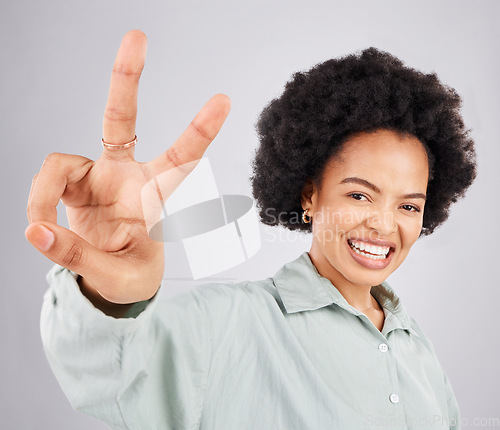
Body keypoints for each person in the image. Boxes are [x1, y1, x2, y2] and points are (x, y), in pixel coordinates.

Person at [26, 30, 476, 429]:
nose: (383, 224)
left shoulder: (417, 351)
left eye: (409, 205)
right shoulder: (228, 322)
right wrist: (112, 297)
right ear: (309, 196)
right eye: (358, 195)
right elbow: (113, 376)